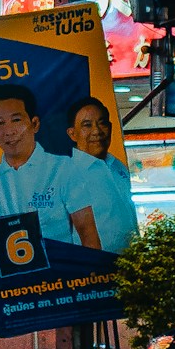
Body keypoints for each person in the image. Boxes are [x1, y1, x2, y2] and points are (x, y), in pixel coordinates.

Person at [0, 86, 87, 243]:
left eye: (16, 120)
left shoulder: (63, 167)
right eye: (0, 123)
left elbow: (88, 234)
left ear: (35, 124)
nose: (9, 131)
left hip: (60, 259)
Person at [65, 96, 139, 253]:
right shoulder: (66, 175)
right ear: (72, 134)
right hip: (93, 266)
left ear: (110, 127)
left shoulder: (117, 165)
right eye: (87, 125)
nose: (97, 131)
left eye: (102, 123)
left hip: (131, 260)